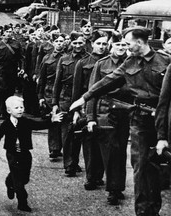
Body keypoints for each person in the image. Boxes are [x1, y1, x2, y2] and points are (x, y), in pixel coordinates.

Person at [69, 27, 171, 216]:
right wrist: (85, 98)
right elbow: (108, 80)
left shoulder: (166, 61)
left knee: (159, 168)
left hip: (164, 119)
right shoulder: (129, 62)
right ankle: (143, 212)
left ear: (139, 43)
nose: (125, 46)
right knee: (140, 167)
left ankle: (154, 208)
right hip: (140, 119)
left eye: (128, 43)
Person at [0, 95, 63, 212]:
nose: (20, 109)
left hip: (25, 153)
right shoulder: (5, 124)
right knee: (18, 181)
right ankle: (22, 202)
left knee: (24, 178)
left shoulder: (26, 122)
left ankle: (9, 182)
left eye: (21, 107)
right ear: (9, 110)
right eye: (17, 107)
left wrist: (51, 120)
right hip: (12, 154)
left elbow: (39, 124)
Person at [85, 31, 131, 205]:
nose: (121, 48)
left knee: (120, 152)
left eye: (124, 45)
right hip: (105, 111)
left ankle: (118, 187)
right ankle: (113, 189)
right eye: (118, 45)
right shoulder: (101, 64)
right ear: (111, 46)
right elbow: (93, 91)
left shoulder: (132, 63)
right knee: (111, 150)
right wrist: (90, 117)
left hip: (125, 112)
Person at [72, 30, 108, 189]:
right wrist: (76, 109)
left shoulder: (111, 61)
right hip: (88, 105)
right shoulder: (83, 62)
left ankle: (99, 175)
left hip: (105, 107)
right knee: (89, 143)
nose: (101, 46)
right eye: (98, 43)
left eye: (104, 44)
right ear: (92, 44)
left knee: (103, 142)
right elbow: (77, 88)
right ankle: (91, 177)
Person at [52, 31, 88, 176]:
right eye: (75, 43)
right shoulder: (64, 59)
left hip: (83, 98)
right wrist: (55, 102)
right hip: (66, 99)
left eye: (80, 42)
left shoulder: (89, 59)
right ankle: (69, 164)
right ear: (70, 43)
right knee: (67, 133)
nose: (78, 46)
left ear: (84, 42)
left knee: (79, 133)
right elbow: (57, 82)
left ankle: (75, 161)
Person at [38, 33, 66, 159]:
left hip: (63, 94)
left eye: (62, 41)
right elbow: (41, 78)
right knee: (54, 121)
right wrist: (40, 96)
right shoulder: (47, 58)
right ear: (53, 43)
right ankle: (54, 148)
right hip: (49, 92)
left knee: (64, 121)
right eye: (57, 41)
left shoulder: (67, 58)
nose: (60, 43)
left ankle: (63, 147)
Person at [0, 25, 25, 119]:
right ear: (3, 33)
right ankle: (1, 111)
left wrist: (22, 68)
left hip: (12, 70)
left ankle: (8, 110)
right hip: (1, 70)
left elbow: (21, 58)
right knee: (2, 90)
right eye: (7, 32)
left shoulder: (16, 44)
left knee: (10, 91)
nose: (9, 33)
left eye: (10, 32)